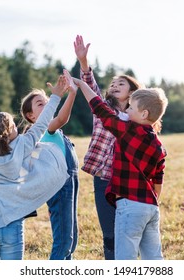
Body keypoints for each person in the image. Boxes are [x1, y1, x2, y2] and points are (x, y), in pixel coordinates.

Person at [65, 69, 168, 260]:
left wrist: (81, 84)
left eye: (131, 108)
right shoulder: (159, 145)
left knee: (124, 258)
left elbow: (100, 109)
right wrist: (154, 201)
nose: (127, 112)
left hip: (128, 206)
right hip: (151, 207)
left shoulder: (127, 131)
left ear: (143, 113)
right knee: (154, 258)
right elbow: (158, 178)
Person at [0, 75, 70, 260]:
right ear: (8, 133)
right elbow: (43, 123)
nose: (17, 127)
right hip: (12, 225)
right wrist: (56, 97)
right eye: (14, 126)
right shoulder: (24, 144)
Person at [74, 35, 142, 259]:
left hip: (129, 180)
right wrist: (84, 62)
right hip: (103, 178)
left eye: (120, 83)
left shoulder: (138, 119)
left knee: (129, 232)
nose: (114, 85)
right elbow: (90, 85)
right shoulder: (102, 110)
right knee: (109, 233)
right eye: (112, 83)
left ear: (132, 92)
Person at [19, 77, 79, 260]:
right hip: (59, 184)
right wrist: (72, 93)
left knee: (71, 238)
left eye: (48, 101)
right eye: (40, 103)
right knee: (63, 240)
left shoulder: (50, 129)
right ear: (31, 116)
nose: (47, 103)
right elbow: (62, 117)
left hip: (69, 182)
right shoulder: (42, 128)